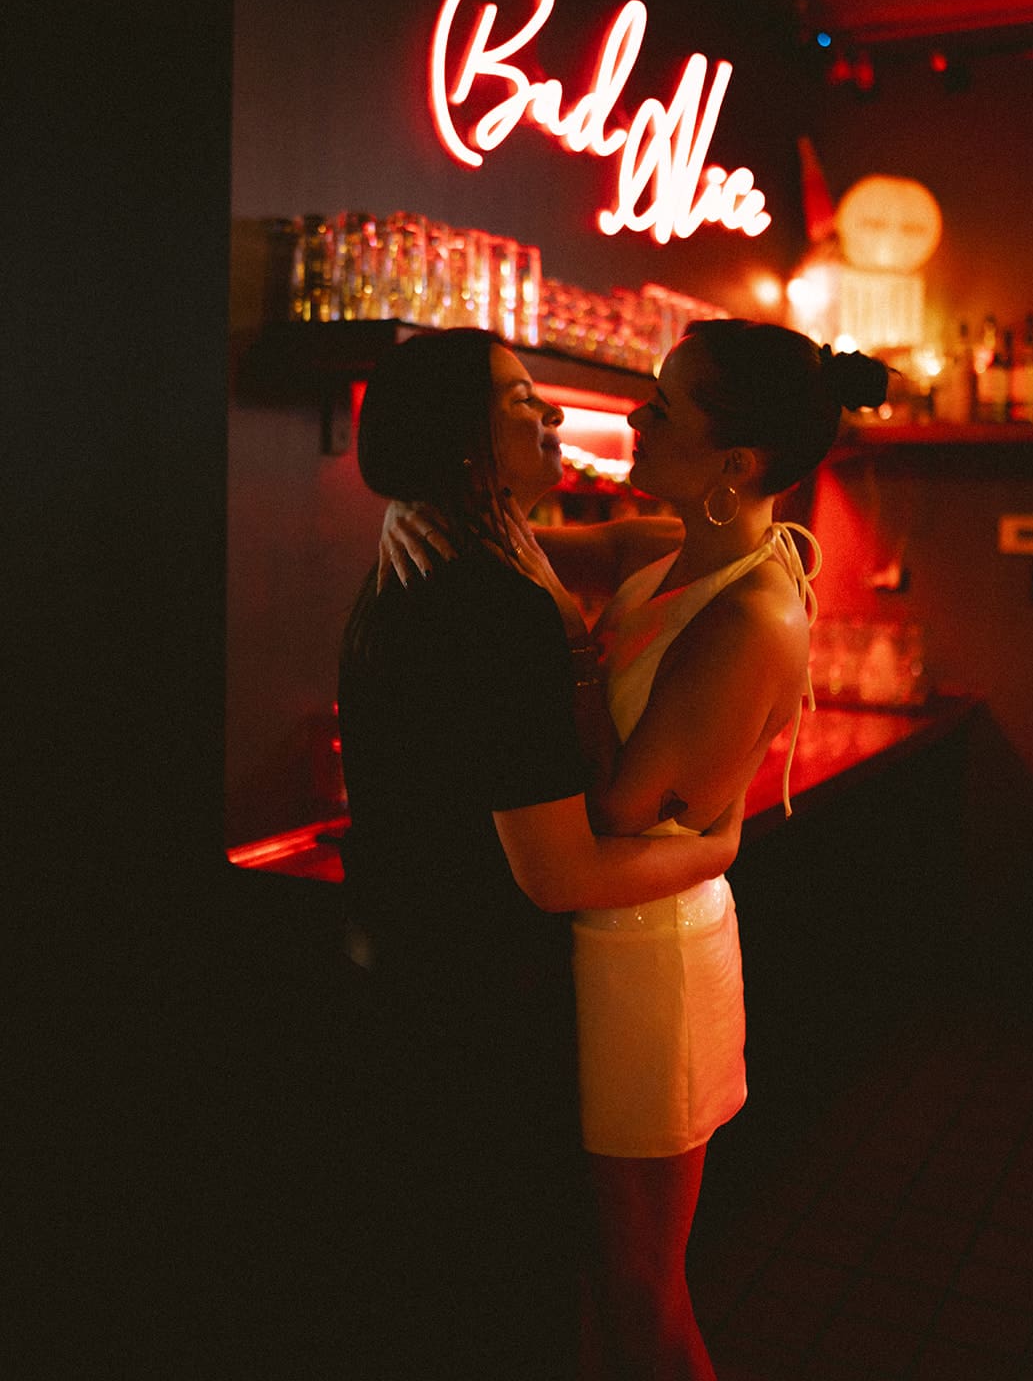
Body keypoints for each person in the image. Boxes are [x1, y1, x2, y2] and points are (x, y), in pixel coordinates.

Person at [382, 318, 889, 1380]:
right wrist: (424, 516)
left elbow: (613, 809)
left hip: (645, 958)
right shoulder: (672, 551)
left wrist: (555, 646)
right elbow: (553, 549)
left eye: (662, 407)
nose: (633, 416)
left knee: (640, 1295)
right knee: (580, 1273)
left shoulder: (749, 611)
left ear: (734, 465)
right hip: (596, 938)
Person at [337, 327, 745, 1381]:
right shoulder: (491, 601)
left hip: (401, 983)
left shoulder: (425, 554)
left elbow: (624, 550)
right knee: (505, 1299)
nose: (555, 414)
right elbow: (555, 872)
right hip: (480, 1007)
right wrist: (715, 849)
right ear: (467, 435)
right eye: (524, 399)